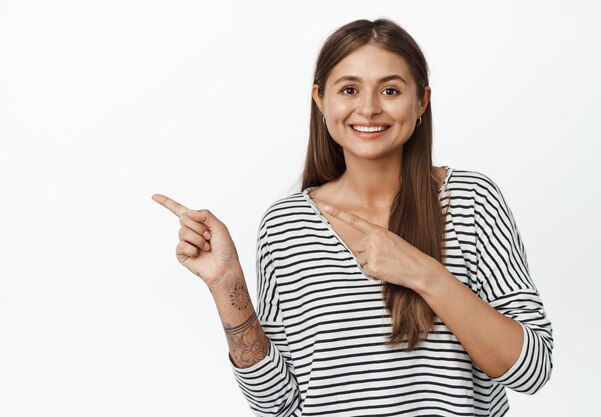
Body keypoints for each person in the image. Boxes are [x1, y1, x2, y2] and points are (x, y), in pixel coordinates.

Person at [153, 18, 553, 417]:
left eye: (391, 90)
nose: (368, 108)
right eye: (349, 89)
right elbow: (278, 403)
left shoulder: (471, 201)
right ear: (320, 99)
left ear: (422, 101)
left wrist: (422, 273)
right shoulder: (285, 225)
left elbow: (531, 370)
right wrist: (227, 285)